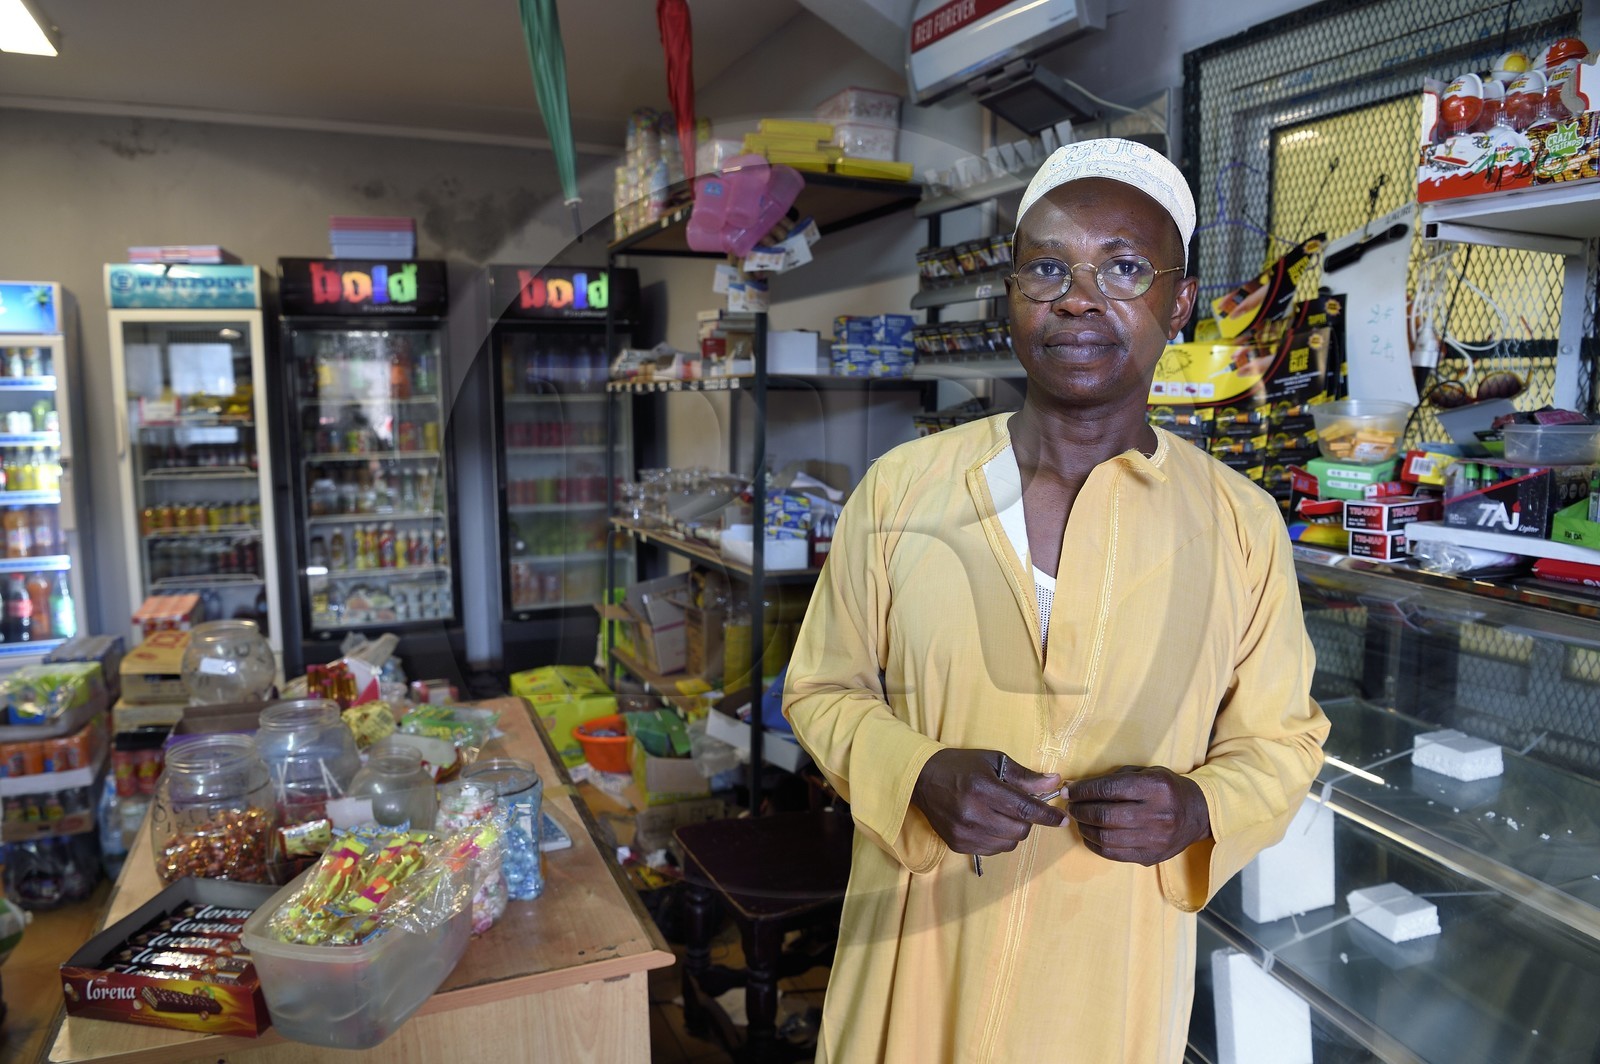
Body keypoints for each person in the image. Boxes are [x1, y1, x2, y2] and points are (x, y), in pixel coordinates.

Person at [783, 138, 1330, 1063]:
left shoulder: (1240, 524)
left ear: (1179, 302)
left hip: (1106, 981)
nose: (1080, 298)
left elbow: (1282, 741)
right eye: (1049, 268)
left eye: (1124, 269)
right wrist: (913, 772)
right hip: (916, 969)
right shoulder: (903, 491)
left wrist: (1199, 808)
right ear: (1013, 297)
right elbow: (821, 689)